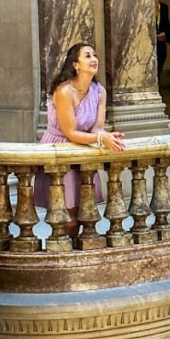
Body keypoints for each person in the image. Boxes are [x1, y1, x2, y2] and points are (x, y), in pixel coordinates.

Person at [34, 43, 125, 237]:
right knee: (67, 214)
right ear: (75, 64)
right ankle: (64, 254)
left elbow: (97, 127)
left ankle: (75, 251)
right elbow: (70, 133)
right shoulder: (64, 91)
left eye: (94, 55)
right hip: (61, 148)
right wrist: (101, 138)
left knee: (84, 211)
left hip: (84, 148)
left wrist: (108, 136)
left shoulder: (99, 91)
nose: (94, 59)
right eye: (87, 55)